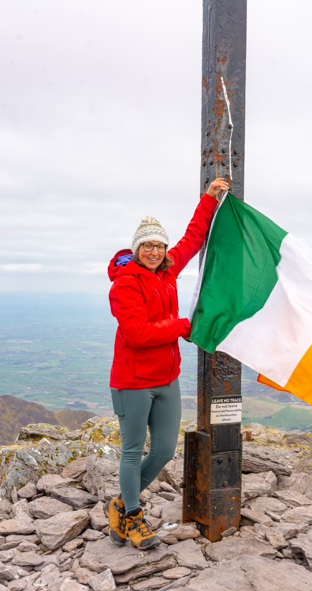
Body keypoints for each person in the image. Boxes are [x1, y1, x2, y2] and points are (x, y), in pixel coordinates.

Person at [105, 177, 229, 550]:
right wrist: (183, 326)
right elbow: (137, 334)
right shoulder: (125, 284)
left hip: (166, 378)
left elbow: (192, 239)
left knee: (162, 451)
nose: (155, 251)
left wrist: (208, 199)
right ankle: (132, 513)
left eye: (159, 245)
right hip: (132, 382)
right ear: (137, 248)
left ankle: (119, 505)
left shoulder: (168, 273)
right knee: (131, 451)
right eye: (148, 246)